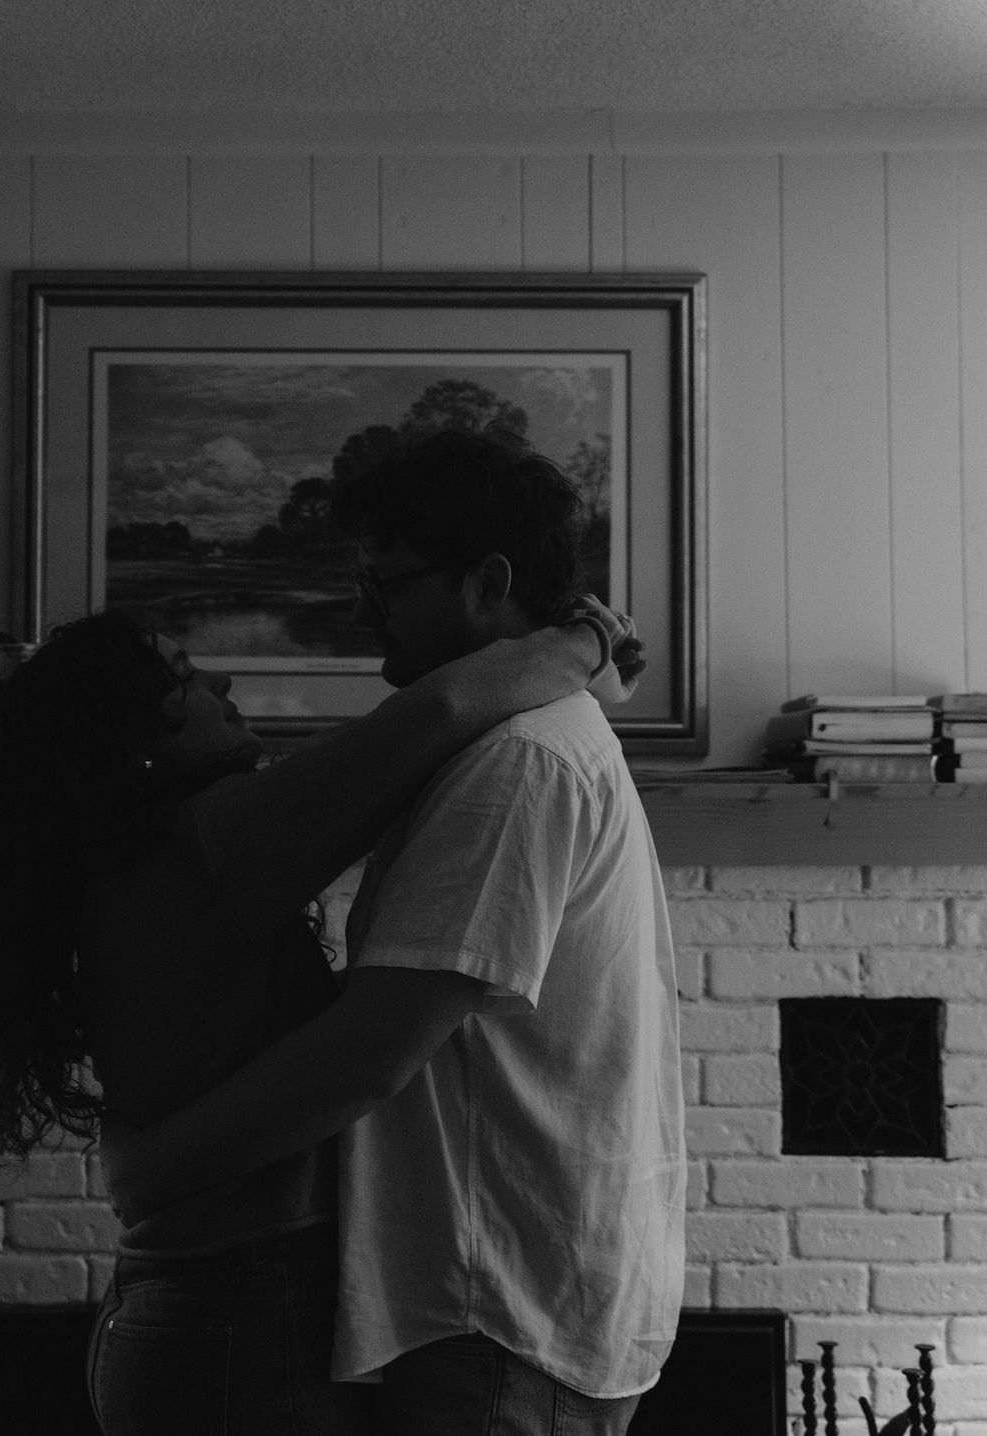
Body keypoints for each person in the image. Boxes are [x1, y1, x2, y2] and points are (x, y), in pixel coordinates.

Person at [0, 581, 642, 1436]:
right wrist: (588, 642)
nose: (222, 689)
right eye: (187, 680)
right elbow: (440, 711)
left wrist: (152, 1171)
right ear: (134, 741)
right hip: (237, 1317)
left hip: (193, 1309)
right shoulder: (207, 847)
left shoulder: (140, 865)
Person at [103, 426, 687, 1436]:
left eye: (387, 579)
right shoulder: (496, 739)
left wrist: (150, 1172)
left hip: (499, 1313)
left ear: (485, 582)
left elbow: (369, 1051)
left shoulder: (517, 763)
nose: (359, 603)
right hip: (500, 1296)